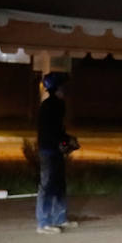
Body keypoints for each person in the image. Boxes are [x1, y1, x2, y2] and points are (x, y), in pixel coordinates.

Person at [36, 72, 77, 234]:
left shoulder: (55, 104)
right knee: (47, 185)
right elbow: (52, 130)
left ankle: (60, 218)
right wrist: (65, 141)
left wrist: (66, 140)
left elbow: (58, 130)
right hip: (49, 150)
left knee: (59, 184)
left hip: (53, 148)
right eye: (63, 86)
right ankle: (44, 222)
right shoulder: (52, 105)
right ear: (58, 87)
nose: (65, 89)